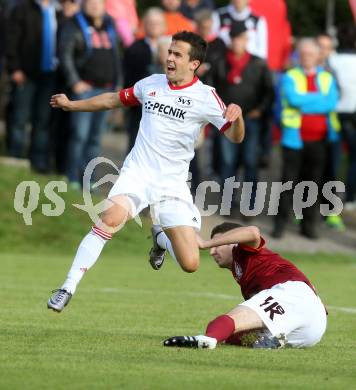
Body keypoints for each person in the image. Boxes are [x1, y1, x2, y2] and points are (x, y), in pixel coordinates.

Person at [47, 31, 245, 312]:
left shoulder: (205, 97)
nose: (170, 58)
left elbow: (235, 137)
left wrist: (237, 119)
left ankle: (160, 238)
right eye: (170, 52)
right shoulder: (150, 84)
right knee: (110, 217)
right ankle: (67, 287)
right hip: (137, 173)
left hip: (173, 185)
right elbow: (111, 100)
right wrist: (71, 105)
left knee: (191, 263)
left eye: (178, 54)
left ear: (194, 64)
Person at [163, 222, 327, 349]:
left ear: (234, 241)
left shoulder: (243, 250)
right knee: (233, 335)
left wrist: (206, 243)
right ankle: (267, 340)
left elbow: (252, 231)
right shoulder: (242, 266)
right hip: (312, 329)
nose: (212, 252)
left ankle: (207, 340)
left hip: (293, 297)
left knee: (220, 325)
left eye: (217, 245)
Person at [272, 38, 340, 240]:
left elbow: (330, 104)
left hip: (320, 139)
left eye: (311, 54)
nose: (307, 58)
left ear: (319, 55)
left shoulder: (327, 77)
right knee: (288, 183)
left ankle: (308, 226)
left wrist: (306, 101)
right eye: (303, 54)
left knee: (314, 183)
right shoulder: (290, 76)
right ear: (298, 55)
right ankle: (280, 225)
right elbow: (293, 99)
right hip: (294, 138)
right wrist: (317, 99)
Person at [58, 0, 121, 188]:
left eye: (98, 3)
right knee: (79, 135)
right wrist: (74, 81)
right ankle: (72, 178)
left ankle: (89, 179)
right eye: (90, 2)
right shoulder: (74, 24)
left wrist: (118, 85)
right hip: (86, 90)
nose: (94, 5)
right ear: (83, 5)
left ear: (104, 6)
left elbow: (117, 58)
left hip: (107, 91)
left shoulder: (110, 26)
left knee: (95, 138)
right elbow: (65, 54)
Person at [214, 21, 274, 210]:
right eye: (235, 38)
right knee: (228, 161)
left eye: (242, 38)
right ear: (231, 40)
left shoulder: (258, 63)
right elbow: (211, 88)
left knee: (250, 161)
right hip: (227, 119)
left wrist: (260, 110)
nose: (238, 42)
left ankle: (250, 204)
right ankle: (228, 203)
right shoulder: (220, 61)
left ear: (247, 40)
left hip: (250, 119)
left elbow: (269, 91)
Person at [5, 0, 60, 172]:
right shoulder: (22, 8)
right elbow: (10, 39)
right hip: (25, 74)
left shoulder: (57, 11)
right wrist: (14, 68)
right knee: (19, 117)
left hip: (50, 75)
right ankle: (15, 157)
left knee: (42, 120)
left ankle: (37, 161)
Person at [123, 7, 167, 153]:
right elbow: (127, 78)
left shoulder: (174, 47)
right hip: (139, 107)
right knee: (136, 146)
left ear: (164, 25)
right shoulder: (134, 49)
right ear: (144, 25)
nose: (154, 26)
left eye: (158, 23)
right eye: (151, 22)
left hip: (166, 109)